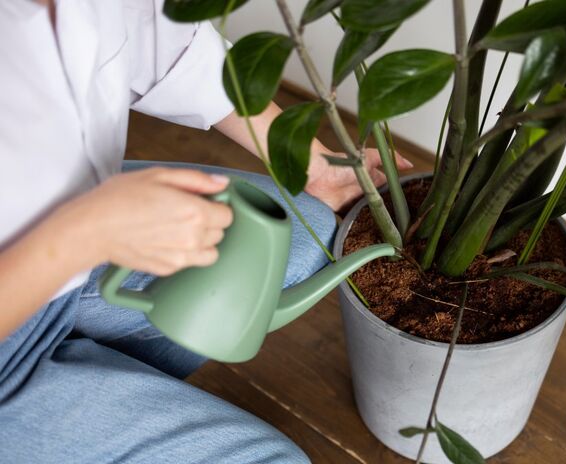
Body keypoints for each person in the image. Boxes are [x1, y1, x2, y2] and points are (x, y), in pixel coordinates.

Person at [0, 1, 411, 462]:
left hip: (66, 241)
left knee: (300, 237)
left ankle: (90, 388)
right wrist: (87, 233)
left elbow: (161, 41)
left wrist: (314, 166)